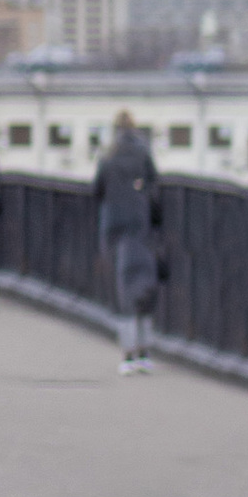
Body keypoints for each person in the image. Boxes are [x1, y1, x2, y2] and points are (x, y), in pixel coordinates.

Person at [92, 110, 162, 374]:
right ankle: (144, 349)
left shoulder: (107, 156)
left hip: (114, 227)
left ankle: (129, 352)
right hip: (140, 225)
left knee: (122, 289)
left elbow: (96, 190)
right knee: (143, 286)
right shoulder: (143, 154)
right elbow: (155, 187)